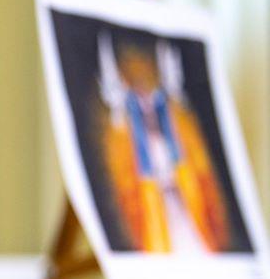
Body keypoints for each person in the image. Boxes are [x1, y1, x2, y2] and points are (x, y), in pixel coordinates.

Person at [98, 33, 229, 253]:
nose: (147, 104)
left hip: (180, 198)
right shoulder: (132, 136)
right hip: (156, 204)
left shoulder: (172, 129)